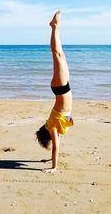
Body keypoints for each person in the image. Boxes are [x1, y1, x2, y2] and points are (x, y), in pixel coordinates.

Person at [35, 11, 74, 174]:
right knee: (61, 55)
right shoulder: (55, 128)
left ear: (48, 135)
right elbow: (56, 147)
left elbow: (56, 148)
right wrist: (51, 159)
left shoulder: (52, 127)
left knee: (57, 55)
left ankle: (54, 27)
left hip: (60, 89)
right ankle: (55, 27)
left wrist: (54, 168)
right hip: (65, 88)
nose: (53, 141)